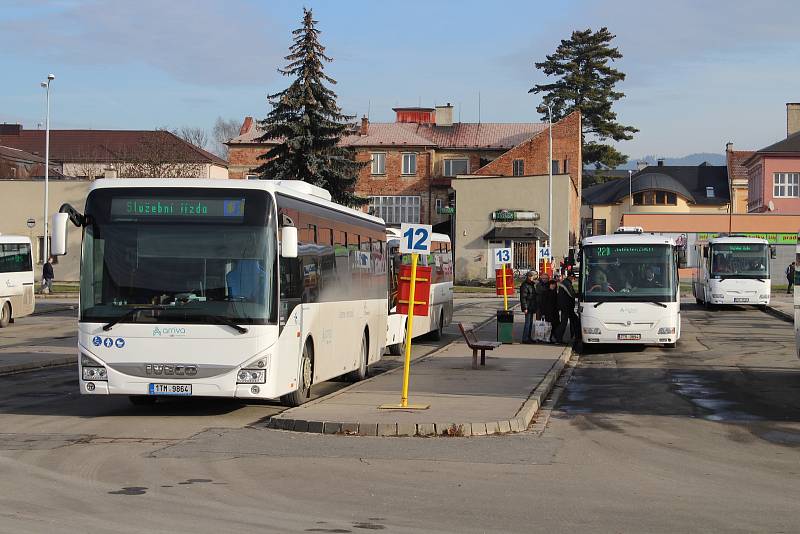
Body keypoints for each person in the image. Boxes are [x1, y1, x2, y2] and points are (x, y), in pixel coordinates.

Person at [554, 274, 579, 344]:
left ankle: (575, 336)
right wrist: (580, 294)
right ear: (571, 277)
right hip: (566, 307)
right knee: (564, 323)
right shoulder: (566, 283)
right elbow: (572, 294)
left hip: (567, 307)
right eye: (574, 278)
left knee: (574, 321)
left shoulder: (566, 283)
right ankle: (558, 337)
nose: (574, 280)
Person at [519, 271, 538, 344]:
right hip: (528, 306)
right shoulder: (525, 285)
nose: (531, 278)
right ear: (528, 277)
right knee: (527, 323)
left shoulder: (532, 284)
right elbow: (523, 298)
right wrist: (525, 308)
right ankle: (525, 338)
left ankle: (529, 337)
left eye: (532, 276)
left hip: (532, 306)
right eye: (530, 276)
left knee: (530, 323)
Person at [541, 279, 560, 343]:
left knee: (555, 325)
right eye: (552, 285)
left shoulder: (555, 292)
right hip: (548, 312)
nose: (553, 286)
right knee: (549, 325)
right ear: (549, 285)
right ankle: (549, 338)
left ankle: (553, 337)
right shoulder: (546, 292)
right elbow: (543, 303)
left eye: (554, 285)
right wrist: (543, 313)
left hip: (555, 312)